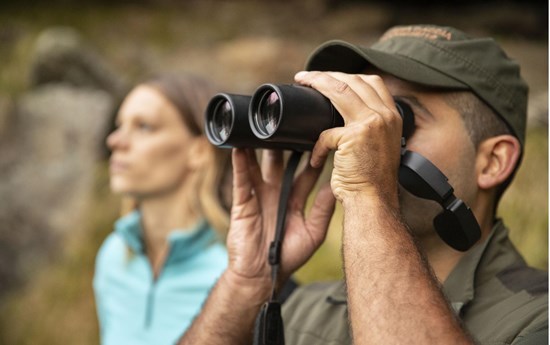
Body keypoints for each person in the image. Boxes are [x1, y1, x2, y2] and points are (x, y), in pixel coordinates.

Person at [177, 24, 548, 345]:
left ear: (493, 161)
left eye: (397, 116)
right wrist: (250, 280)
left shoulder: (534, 317)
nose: (365, 131)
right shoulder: (305, 311)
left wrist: (369, 195)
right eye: (357, 113)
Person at [93, 73, 233, 345]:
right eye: (119, 125)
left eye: (144, 126)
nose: (115, 141)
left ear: (200, 151)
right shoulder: (113, 256)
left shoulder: (234, 276)